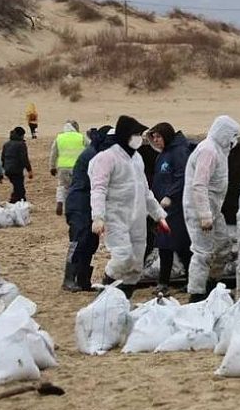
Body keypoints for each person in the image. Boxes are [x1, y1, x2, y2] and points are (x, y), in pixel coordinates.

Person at [89, 115, 169, 297]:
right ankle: (104, 295)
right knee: (123, 257)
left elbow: (145, 191)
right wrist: (98, 217)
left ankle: (122, 302)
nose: (140, 138)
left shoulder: (137, 160)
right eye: (137, 134)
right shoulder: (106, 158)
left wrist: (159, 215)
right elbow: (98, 189)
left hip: (137, 219)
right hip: (115, 217)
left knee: (136, 265)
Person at [183, 115, 240, 302]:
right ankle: (197, 294)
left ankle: (211, 283)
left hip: (214, 209)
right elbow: (199, 184)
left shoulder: (220, 151)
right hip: (200, 211)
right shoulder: (208, 151)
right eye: (233, 135)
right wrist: (205, 215)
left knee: (223, 247)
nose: (234, 140)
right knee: (203, 253)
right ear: (224, 133)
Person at [64, 126, 112, 291]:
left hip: (88, 203)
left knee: (91, 242)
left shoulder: (97, 152)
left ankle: (83, 280)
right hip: (79, 203)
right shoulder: (93, 155)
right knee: (79, 241)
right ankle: (69, 279)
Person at [148, 122, 193, 295]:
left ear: (166, 136)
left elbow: (182, 176)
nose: (156, 140)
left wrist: (171, 196)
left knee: (181, 245)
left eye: (159, 137)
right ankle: (163, 282)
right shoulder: (162, 155)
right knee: (164, 245)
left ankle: (191, 280)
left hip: (176, 207)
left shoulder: (179, 152)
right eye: (154, 138)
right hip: (163, 209)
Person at [49, 120, 86, 216]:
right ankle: (76, 206)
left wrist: (52, 167)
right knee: (78, 186)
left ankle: (60, 202)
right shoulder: (81, 137)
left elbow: (53, 153)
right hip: (78, 167)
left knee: (62, 186)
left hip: (63, 167)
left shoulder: (59, 138)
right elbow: (89, 148)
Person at [0, 126, 34, 203]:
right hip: (16, 170)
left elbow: (2, 158)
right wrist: (29, 170)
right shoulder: (21, 144)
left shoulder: (6, 144)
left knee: (17, 187)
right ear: (21, 135)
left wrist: (4, 167)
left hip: (8, 169)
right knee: (20, 189)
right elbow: (24, 159)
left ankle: (17, 202)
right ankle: (18, 204)